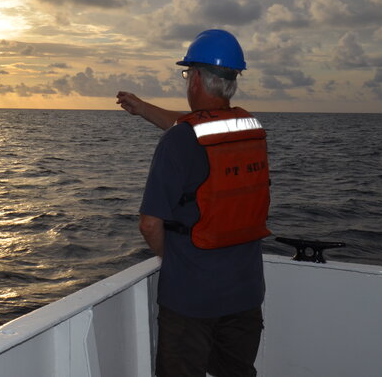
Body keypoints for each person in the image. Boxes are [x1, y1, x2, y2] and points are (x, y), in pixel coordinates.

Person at [116, 29, 271, 377]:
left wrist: (172, 260)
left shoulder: (178, 143)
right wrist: (143, 109)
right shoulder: (251, 129)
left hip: (191, 298)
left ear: (197, 78)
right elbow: (201, 130)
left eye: (188, 74)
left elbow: (149, 224)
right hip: (245, 294)